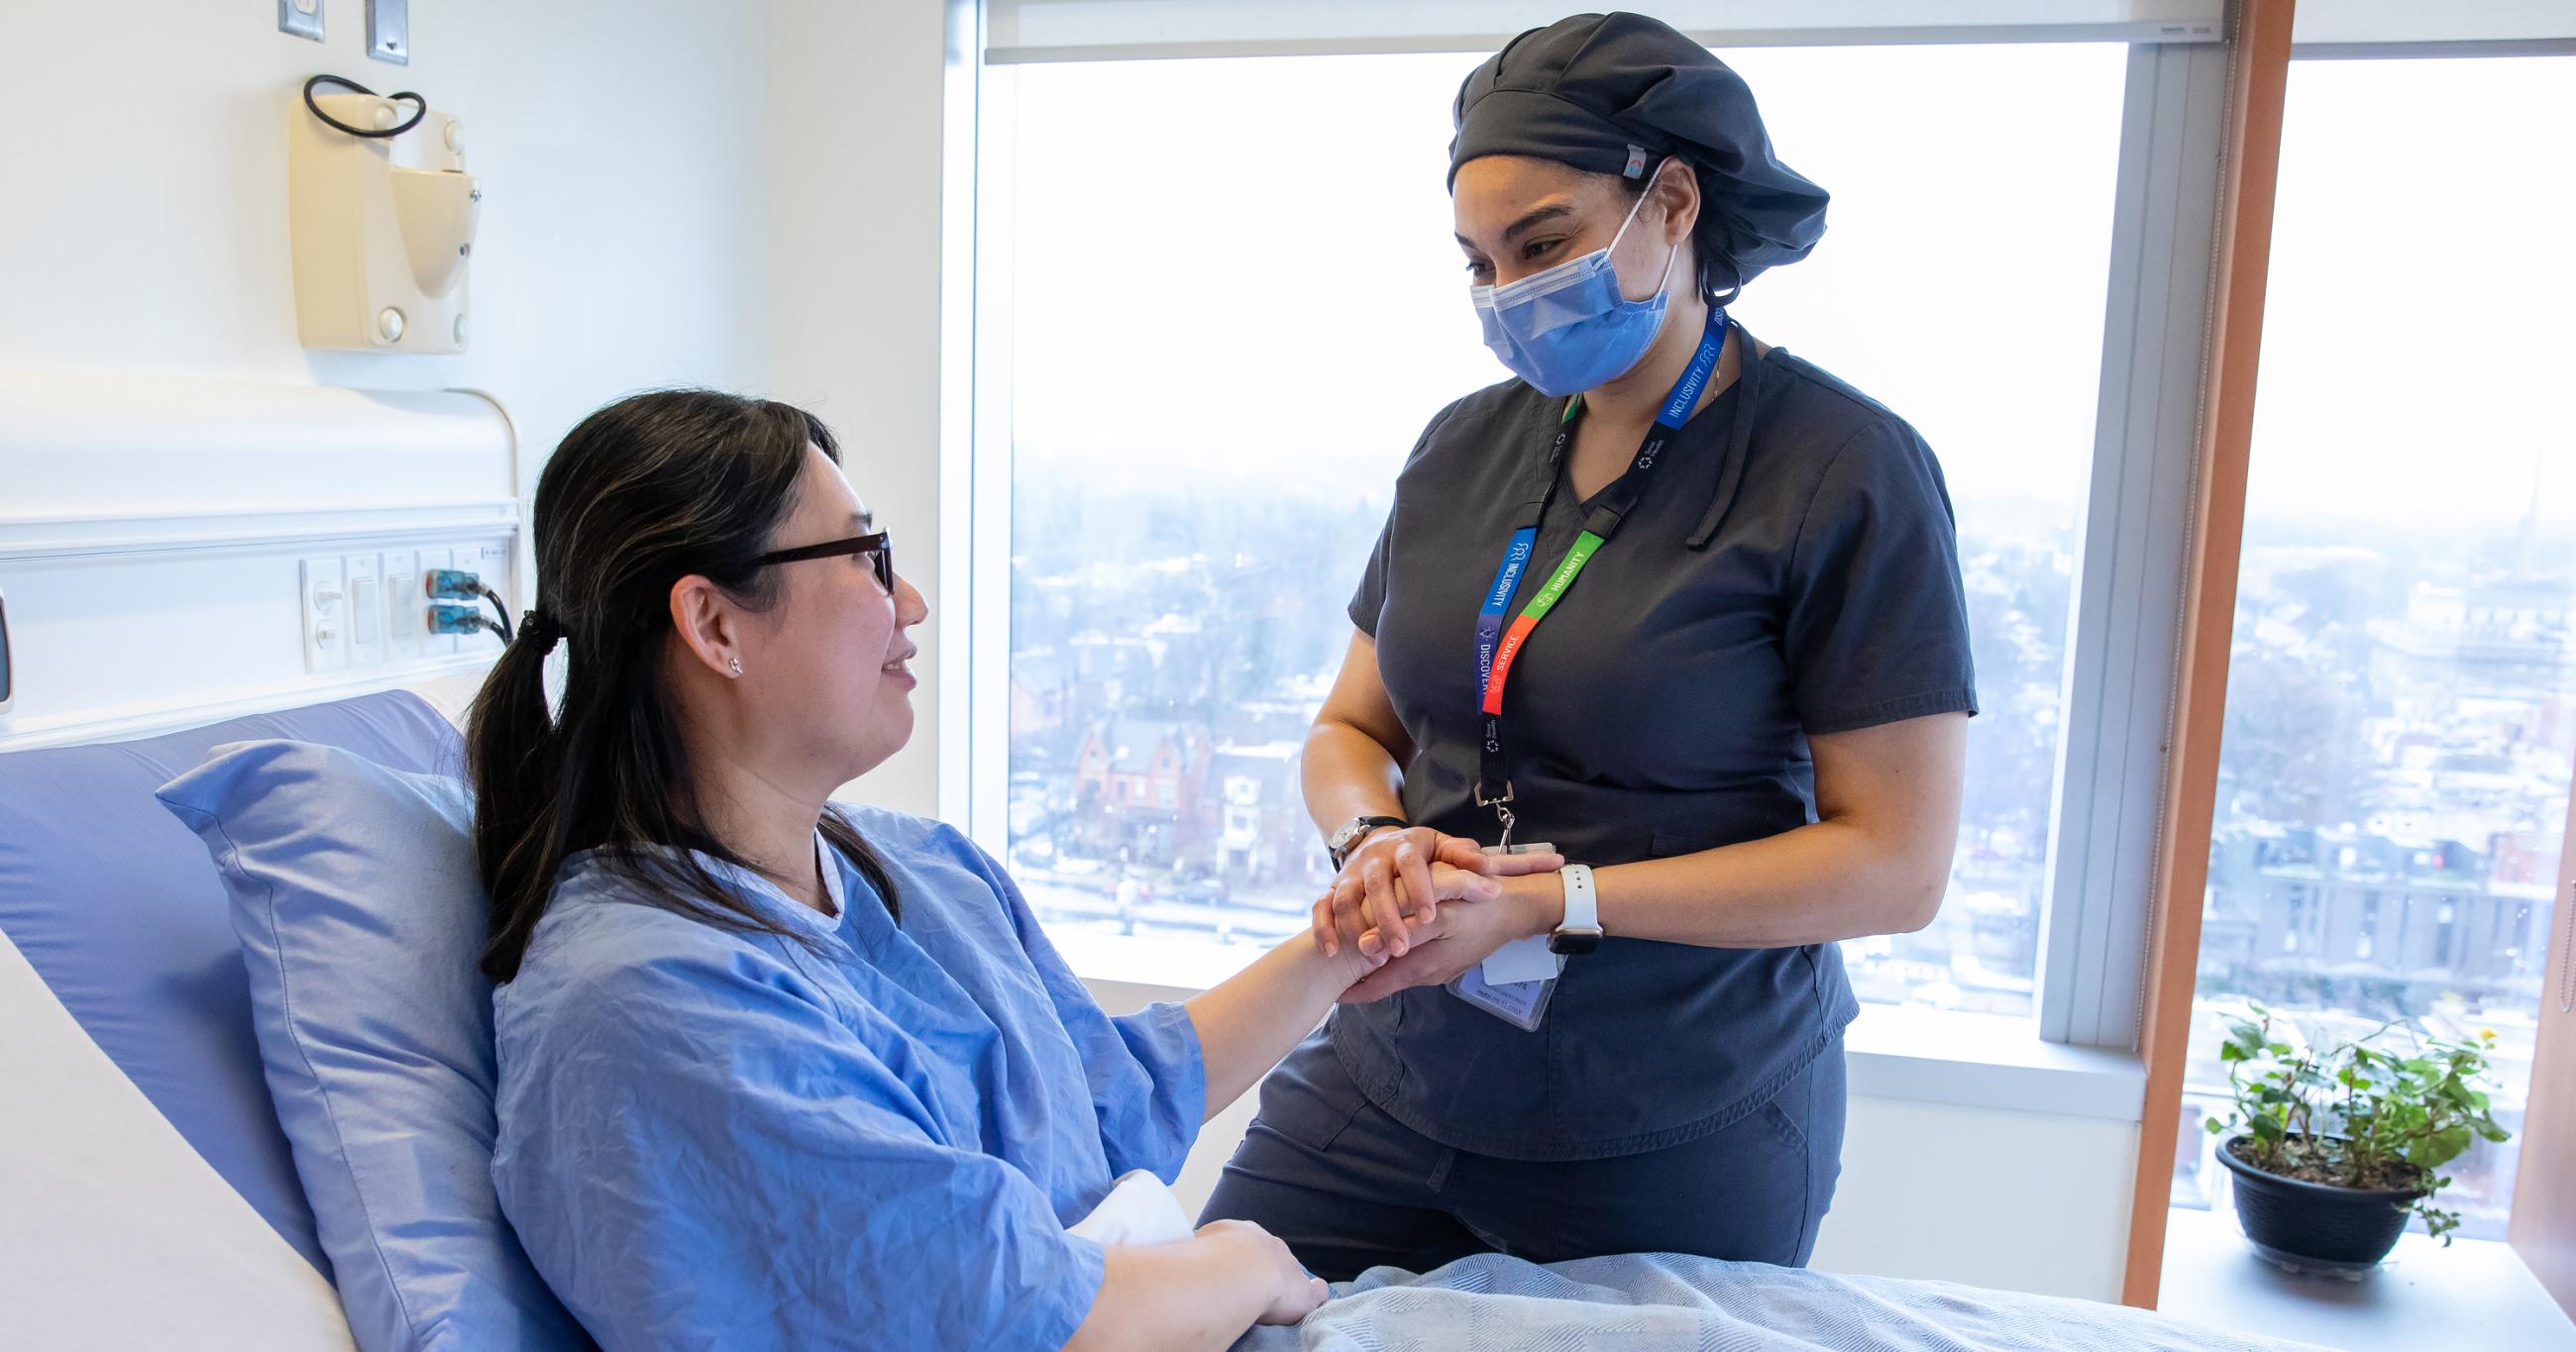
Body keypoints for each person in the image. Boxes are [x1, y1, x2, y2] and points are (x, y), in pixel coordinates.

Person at [464, 389, 1558, 1350]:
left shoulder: (915, 871)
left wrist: (1352, 938)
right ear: (713, 624)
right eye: (865, 559)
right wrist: (1244, 1264)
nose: (911, 605)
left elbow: (1105, 1097)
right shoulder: (649, 1007)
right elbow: (1028, 1319)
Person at [1199, 12, 1977, 1279]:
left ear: (1671, 201)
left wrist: (1551, 901)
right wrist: (1370, 840)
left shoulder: (1840, 470)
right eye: (1476, 260)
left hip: (1671, 1110)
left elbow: (1895, 868)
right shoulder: (1463, 447)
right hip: (1398, 1071)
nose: (1507, 294)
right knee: (1199, 1310)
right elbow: (1352, 729)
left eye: (1543, 244)